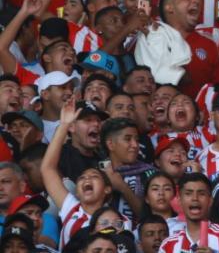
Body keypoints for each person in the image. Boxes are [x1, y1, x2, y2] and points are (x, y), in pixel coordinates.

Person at [40, 100, 121, 249]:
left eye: (98, 120)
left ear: (107, 189)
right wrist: (64, 125)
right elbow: (47, 169)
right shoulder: (71, 208)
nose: (96, 124)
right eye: (88, 120)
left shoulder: (121, 221)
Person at [158, 0, 219, 96]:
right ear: (169, 7)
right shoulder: (151, 41)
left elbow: (218, 88)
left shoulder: (209, 44)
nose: (196, 1)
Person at [158, 173, 219, 252]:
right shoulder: (168, 245)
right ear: (180, 201)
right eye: (188, 193)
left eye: (201, 193)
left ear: (210, 201)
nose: (195, 198)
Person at [99, 117, 155, 220]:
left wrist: (123, 188)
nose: (135, 145)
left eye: (137, 140)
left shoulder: (150, 174)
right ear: (110, 144)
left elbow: (151, 218)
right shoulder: (97, 175)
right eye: (128, 139)